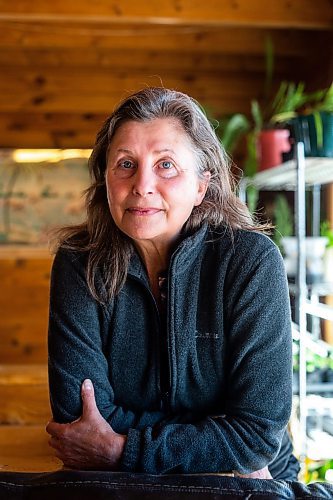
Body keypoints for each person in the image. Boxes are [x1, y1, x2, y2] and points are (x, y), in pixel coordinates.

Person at [46, 87, 299, 479]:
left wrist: (120, 449)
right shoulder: (79, 265)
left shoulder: (251, 262)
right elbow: (79, 417)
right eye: (125, 163)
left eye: (165, 165)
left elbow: (255, 436)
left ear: (201, 185)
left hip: (250, 484)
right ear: (105, 181)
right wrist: (215, 433)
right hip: (133, 484)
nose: (142, 185)